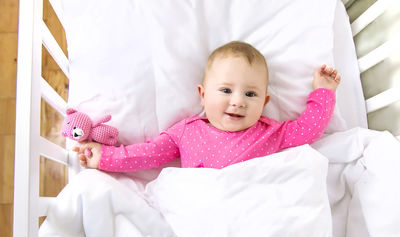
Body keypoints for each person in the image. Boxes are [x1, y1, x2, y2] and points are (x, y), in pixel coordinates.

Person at [73, 41, 340, 171]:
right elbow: (147, 154)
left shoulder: (271, 132)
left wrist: (323, 92)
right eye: (225, 90)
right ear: (202, 95)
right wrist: (105, 158)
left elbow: (309, 129)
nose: (237, 101)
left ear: (265, 102)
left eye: (250, 94)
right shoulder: (186, 132)